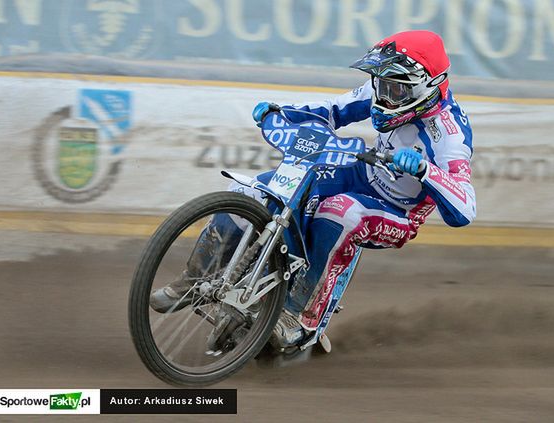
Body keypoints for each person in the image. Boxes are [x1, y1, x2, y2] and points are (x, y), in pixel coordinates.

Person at [151, 30, 476, 350]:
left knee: (340, 212)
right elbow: (333, 109)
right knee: (259, 190)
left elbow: (464, 209)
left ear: (427, 87)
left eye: (396, 90)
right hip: (364, 171)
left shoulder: (448, 134)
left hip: (399, 211)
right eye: (381, 84)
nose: (384, 97)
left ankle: (299, 318)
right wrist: (283, 111)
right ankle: (196, 278)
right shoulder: (383, 91)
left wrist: (425, 170)